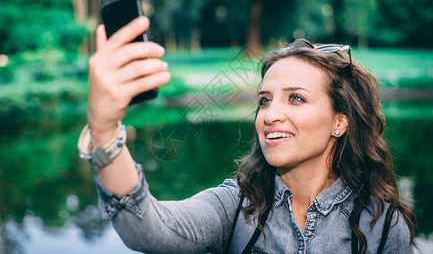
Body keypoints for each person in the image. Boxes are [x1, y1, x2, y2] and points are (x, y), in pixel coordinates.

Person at [78, 16, 417, 253]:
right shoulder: (236, 206)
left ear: (339, 122)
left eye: (296, 98)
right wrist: (105, 131)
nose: (270, 115)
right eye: (264, 101)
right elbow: (147, 231)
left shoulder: (383, 225)